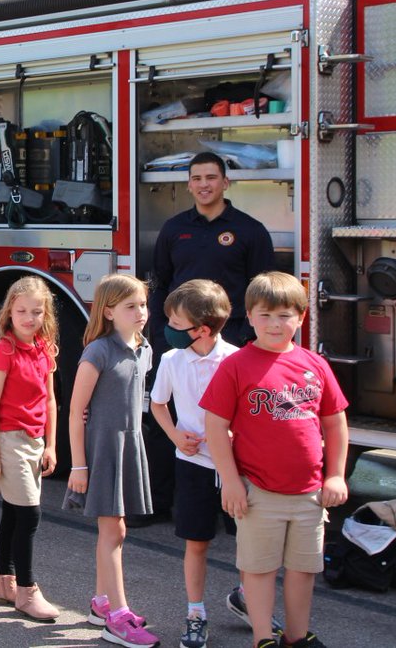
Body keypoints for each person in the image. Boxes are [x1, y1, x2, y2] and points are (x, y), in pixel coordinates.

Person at [200, 271, 348, 648]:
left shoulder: (315, 364)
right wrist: (230, 481)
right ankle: (263, 637)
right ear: (248, 316)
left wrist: (335, 476)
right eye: (264, 315)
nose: (274, 324)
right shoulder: (236, 366)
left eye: (284, 315)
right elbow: (215, 427)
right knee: (259, 569)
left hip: (310, 493)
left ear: (300, 317)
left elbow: (335, 423)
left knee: (302, 570)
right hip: (258, 493)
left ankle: (297, 637)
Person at [146, 152, 275, 520]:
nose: (204, 184)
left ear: (225, 183)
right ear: (188, 184)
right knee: (171, 415)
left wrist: (252, 340)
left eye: (211, 177)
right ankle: (161, 501)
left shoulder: (250, 231)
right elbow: (159, 281)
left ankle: (231, 506)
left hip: (230, 339)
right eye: (197, 178)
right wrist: (160, 332)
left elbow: (262, 291)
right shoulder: (174, 229)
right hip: (179, 338)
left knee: (233, 424)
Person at [68, 274, 161, 648]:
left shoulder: (144, 348)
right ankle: (118, 617)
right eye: (130, 306)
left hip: (129, 444)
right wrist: (78, 465)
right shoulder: (98, 352)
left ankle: (101, 603)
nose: (140, 312)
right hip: (103, 449)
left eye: (142, 304)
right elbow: (76, 411)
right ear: (108, 312)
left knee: (117, 530)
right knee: (113, 531)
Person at [148, 279, 242, 648]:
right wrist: (175, 436)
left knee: (246, 540)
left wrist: (238, 436)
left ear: (202, 329)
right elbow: (158, 404)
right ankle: (195, 612)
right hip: (194, 465)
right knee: (196, 542)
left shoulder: (236, 359)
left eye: (175, 322)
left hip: (235, 466)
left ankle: (249, 598)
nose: (167, 328)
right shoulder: (172, 360)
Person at [0, 276, 60, 622]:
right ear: (9, 312)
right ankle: (27, 591)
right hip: (10, 439)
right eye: (22, 311)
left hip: (35, 441)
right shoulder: (3, 350)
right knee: (29, 514)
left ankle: (4, 582)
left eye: (37, 312)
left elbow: (51, 400)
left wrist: (52, 445)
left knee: (13, 513)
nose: (30, 318)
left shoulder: (44, 348)